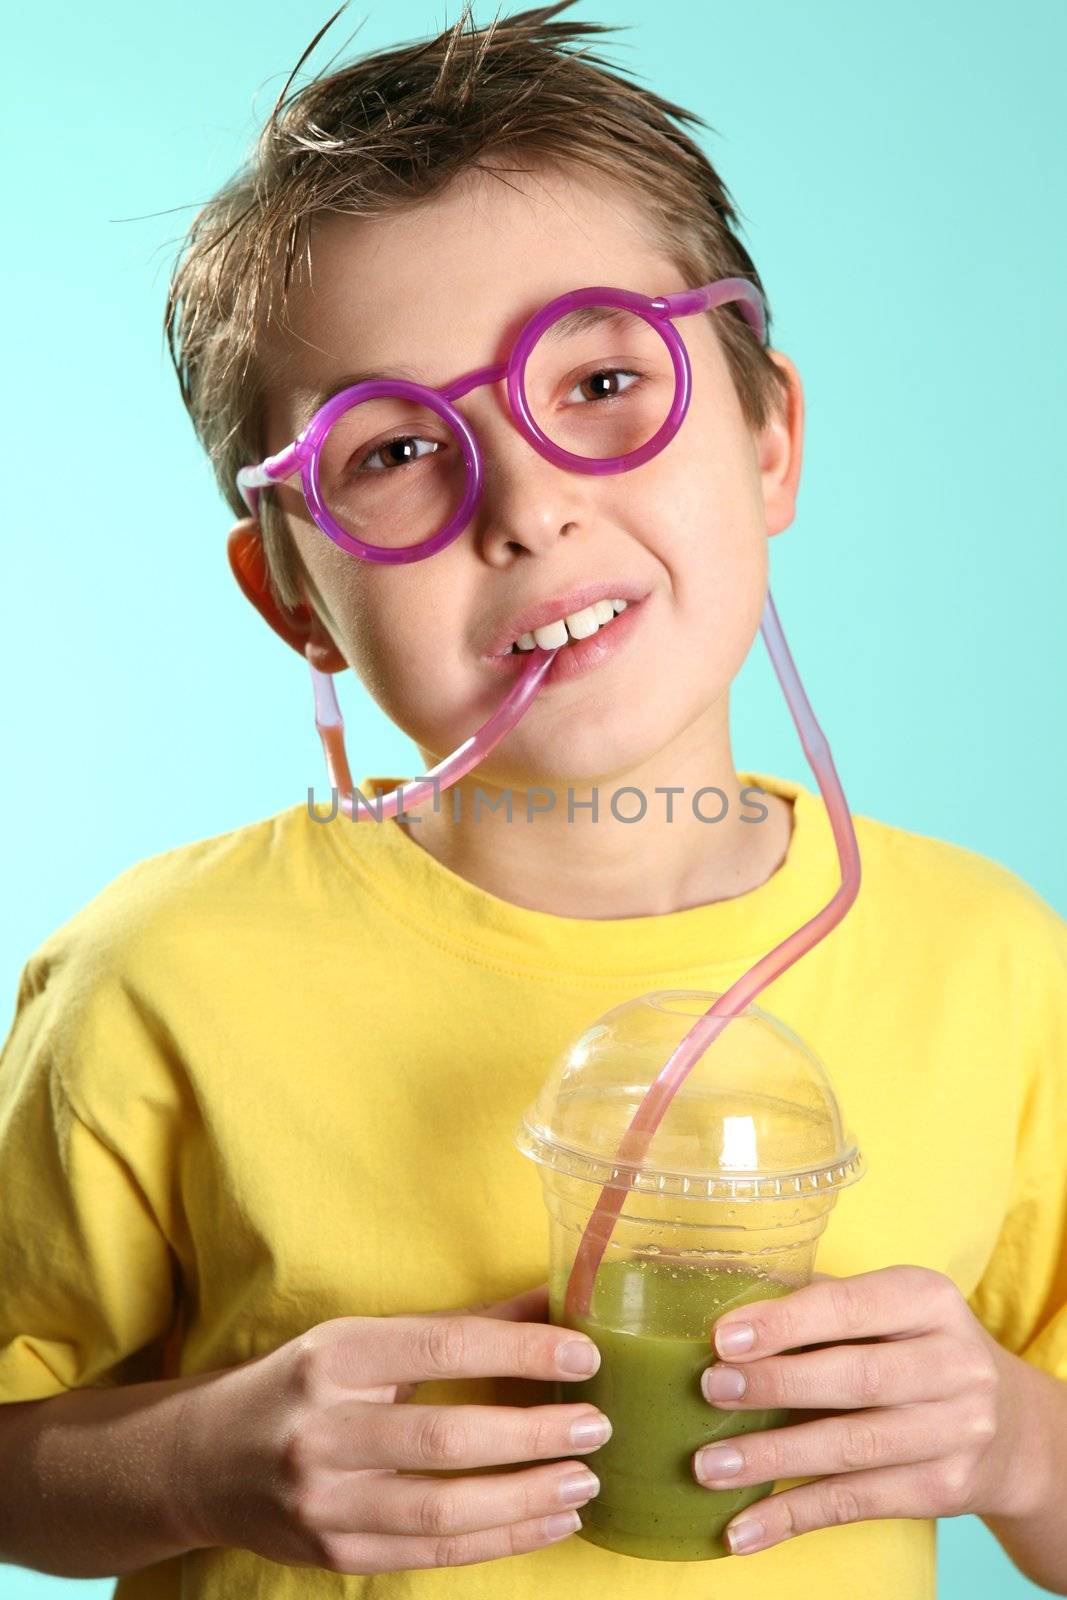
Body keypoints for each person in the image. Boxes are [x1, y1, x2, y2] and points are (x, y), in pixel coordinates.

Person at [1, 5, 1065, 1598]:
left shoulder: (993, 964)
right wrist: (200, 1460)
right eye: (390, 453)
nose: (532, 505)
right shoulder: (154, 979)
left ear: (771, 434)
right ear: (291, 596)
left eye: (605, 376)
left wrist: (1021, 1445)